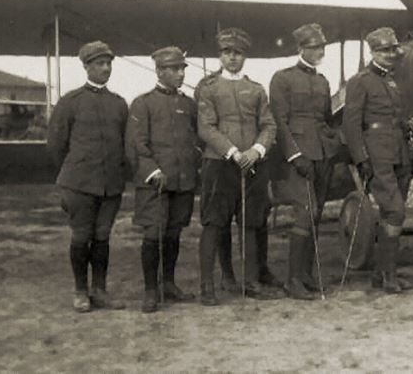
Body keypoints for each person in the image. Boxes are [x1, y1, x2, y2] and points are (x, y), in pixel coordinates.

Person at [196, 28, 277, 304]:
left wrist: (256, 150)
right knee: (214, 223)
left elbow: (268, 125)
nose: (232, 58)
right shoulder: (208, 88)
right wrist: (232, 152)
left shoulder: (256, 89)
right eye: (227, 53)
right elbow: (206, 127)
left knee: (251, 222)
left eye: (238, 53)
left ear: (245, 56)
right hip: (219, 164)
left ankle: (251, 281)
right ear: (220, 55)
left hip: (252, 164)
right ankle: (208, 284)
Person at [47, 41, 128, 312]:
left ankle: (100, 290)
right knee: (81, 237)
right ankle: (80, 291)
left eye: (108, 64)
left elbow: (124, 144)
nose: (105, 68)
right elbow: (57, 145)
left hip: (110, 186)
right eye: (99, 64)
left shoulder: (118, 104)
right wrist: (73, 174)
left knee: (103, 237)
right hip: (79, 184)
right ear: (86, 67)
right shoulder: (70, 102)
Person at [127, 46, 199, 312]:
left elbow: (197, 138)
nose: (180, 73)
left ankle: (168, 283)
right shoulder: (143, 104)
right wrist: (152, 171)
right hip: (154, 183)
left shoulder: (188, 105)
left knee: (174, 232)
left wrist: (194, 160)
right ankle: (150, 290)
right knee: (154, 233)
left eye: (182, 69)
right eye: (174, 69)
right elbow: (136, 144)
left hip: (182, 181)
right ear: (159, 71)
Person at [269, 23, 338, 300]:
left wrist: (332, 148)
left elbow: (326, 119)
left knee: (316, 214)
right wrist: (295, 155)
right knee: (305, 212)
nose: (318, 51)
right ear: (301, 49)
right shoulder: (282, 79)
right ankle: (293, 280)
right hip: (299, 156)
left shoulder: (322, 81)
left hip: (323, 155)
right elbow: (280, 122)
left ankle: (307, 275)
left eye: (321, 47)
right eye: (313, 47)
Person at [343, 27, 412, 293]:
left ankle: (380, 274)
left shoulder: (393, 81)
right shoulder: (360, 81)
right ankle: (390, 275)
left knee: (390, 214)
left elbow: (393, 115)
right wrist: (361, 159)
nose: (390, 54)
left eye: (393, 49)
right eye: (384, 50)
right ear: (372, 52)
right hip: (377, 154)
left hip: (400, 152)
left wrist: (405, 126)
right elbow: (351, 125)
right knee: (396, 211)